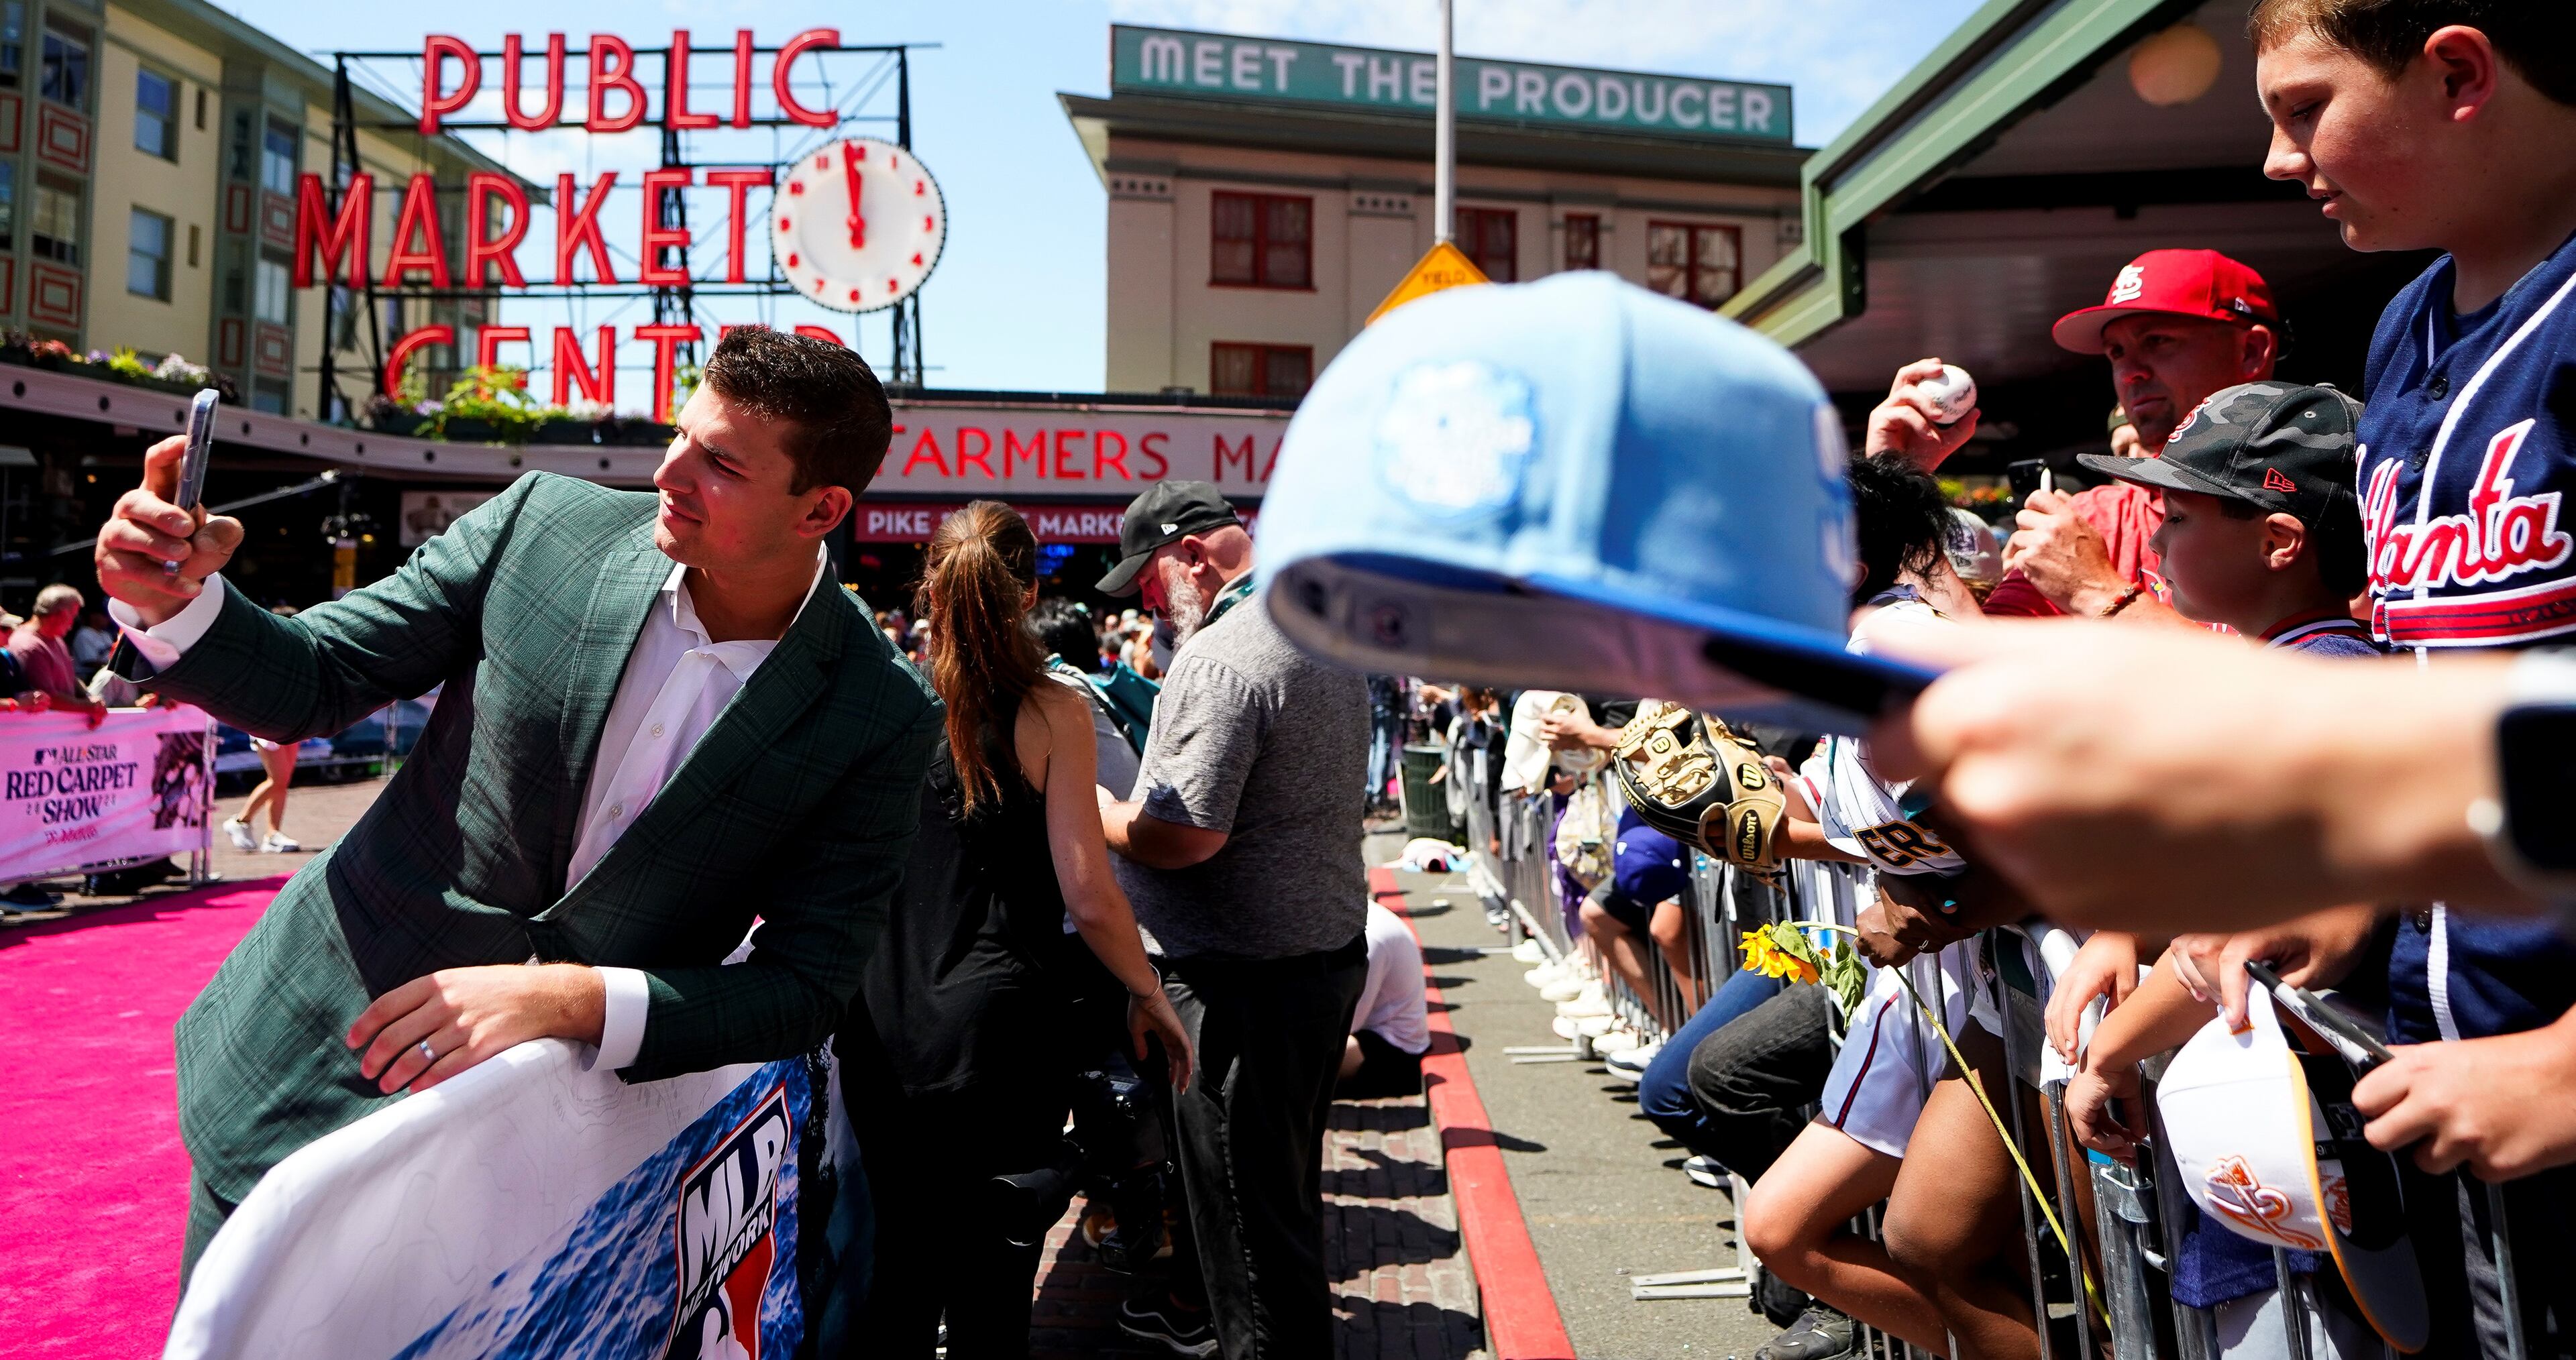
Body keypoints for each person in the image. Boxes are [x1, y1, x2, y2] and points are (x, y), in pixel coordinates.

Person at [93, 325, 942, 1274]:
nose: (669, 471)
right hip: (317, 1069)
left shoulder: (878, 712)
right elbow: (318, 677)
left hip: (556, 1181)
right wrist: (175, 606)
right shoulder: (545, 526)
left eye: (721, 463)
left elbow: (802, 990)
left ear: (820, 509)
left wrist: (571, 1000)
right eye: (680, 435)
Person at [2252, 7, 2576, 1354]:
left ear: (2456, 72)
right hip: (2451, 1076)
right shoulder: (2403, 326)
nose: (2280, 160)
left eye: (2304, 106)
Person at [839, 502, 1192, 1359]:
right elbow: (1091, 890)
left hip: (882, 1026)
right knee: (993, 1289)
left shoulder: (882, 700)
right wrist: (1149, 993)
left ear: (933, 589)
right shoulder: (1049, 712)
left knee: (900, 1278)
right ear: (1029, 592)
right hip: (1000, 1035)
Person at [1092, 479, 1370, 1359]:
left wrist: (1088, 806)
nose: (1147, 596)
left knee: (1245, 1239)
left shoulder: (1226, 655)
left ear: (1194, 552)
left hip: (1240, 984)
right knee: (1277, 1212)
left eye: (1151, 573)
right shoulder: (1316, 624)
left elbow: (1180, 837)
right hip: (1307, 963)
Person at [1868, 250, 2288, 626]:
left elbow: (2311, 679)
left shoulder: (2328, 492)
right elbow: (1977, 655)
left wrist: (2096, 591)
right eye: (2116, 352)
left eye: (2158, 341)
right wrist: (1902, 488)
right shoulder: (2093, 519)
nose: (2130, 372)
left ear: (2250, 352)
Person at [1337, 900, 1430, 1100]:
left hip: (1395, 1051)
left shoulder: (1369, 937)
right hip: (1375, 1032)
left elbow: (1345, 1026)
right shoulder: (1358, 916)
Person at [11, 585, 106, 728]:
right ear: (61, 614)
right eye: (73, 616)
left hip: (61, 733)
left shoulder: (56, 638)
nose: (73, 624)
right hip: (43, 734)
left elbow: (70, 677)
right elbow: (50, 698)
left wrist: (90, 699)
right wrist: (89, 706)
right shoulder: (29, 645)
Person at [70, 606, 116, 676]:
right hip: (88, 676)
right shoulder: (84, 634)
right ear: (93, 616)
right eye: (105, 616)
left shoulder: (106, 635)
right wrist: (114, 666)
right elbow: (90, 662)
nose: (108, 619)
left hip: (105, 672)